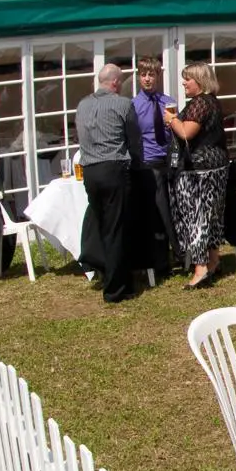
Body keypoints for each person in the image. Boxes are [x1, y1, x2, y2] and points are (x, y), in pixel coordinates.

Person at [75, 63, 141, 303]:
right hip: (113, 168)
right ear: (114, 82)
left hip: (90, 171)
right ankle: (115, 288)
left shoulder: (83, 105)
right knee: (116, 228)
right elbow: (134, 141)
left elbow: (80, 137)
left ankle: (107, 271)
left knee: (102, 224)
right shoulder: (123, 104)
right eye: (121, 81)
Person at [164, 63, 232, 290]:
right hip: (216, 166)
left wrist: (172, 119)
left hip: (199, 170)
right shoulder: (212, 100)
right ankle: (213, 260)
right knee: (212, 217)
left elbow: (186, 133)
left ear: (200, 82)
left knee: (196, 217)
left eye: (188, 79)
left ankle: (200, 267)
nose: (184, 83)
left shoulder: (201, 102)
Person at [130, 56, 176, 279]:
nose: (147, 79)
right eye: (143, 74)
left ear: (158, 76)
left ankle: (178, 252)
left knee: (173, 209)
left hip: (169, 162)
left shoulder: (168, 101)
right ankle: (159, 261)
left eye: (152, 74)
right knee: (157, 213)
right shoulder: (134, 105)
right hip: (149, 164)